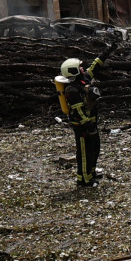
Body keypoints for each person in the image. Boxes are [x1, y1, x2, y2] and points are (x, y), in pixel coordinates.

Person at [53, 56, 102, 187]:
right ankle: (84, 179)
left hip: (91, 122)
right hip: (82, 127)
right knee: (85, 153)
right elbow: (78, 110)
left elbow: (94, 67)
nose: (82, 68)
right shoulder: (72, 90)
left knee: (95, 148)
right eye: (79, 67)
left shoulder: (83, 79)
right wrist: (88, 125)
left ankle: (91, 173)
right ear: (74, 71)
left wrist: (107, 52)